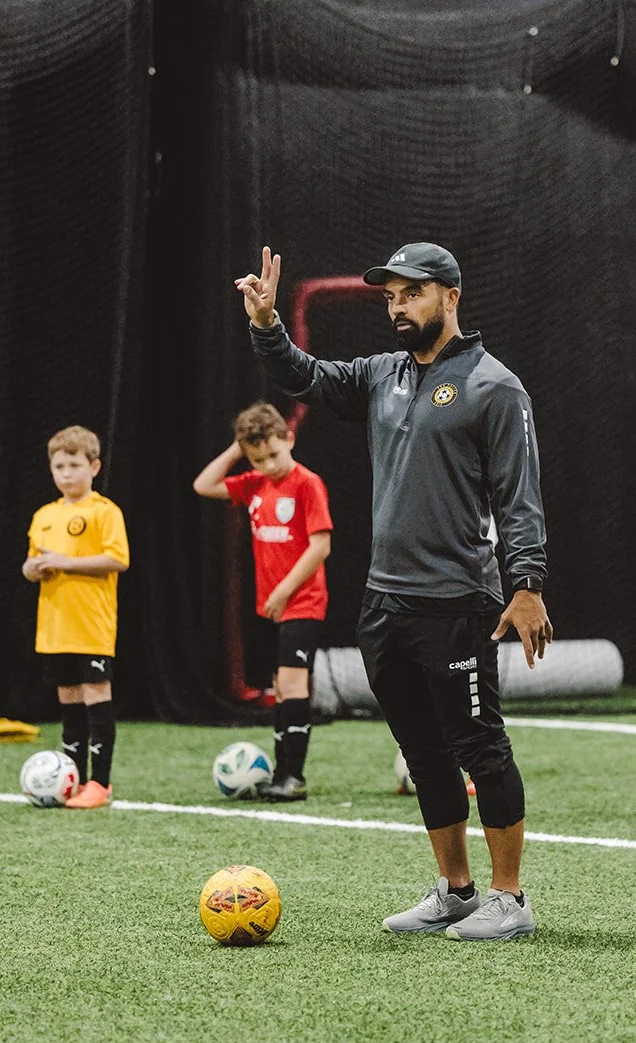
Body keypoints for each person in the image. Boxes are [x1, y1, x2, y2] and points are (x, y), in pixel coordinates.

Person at [235, 243, 551, 941]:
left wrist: (526, 584)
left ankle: (511, 899)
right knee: (421, 747)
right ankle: (457, 890)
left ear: (450, 295)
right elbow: (304, 377)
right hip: (384, 603)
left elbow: (519, 497)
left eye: (412, 294)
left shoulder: (495, 386)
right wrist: (266, 323)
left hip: (458, 601)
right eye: (390, 297)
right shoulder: (382, 374)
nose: (398, 307)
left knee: (481, 746)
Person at [193, 401, 333, 801]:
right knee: (278, 687)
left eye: (273, 454)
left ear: (289, 439)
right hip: (270, 606)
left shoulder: (307, 483)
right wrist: (239, 450)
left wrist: (285, 589)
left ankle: (294, 776)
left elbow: (320, 546)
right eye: (258, 458)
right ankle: (281, 771)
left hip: (302, 601)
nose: (269, 465)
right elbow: (202, 485)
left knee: (292, 683)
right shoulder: (255, 483)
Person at [23, 425, 131, 810]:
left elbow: (118, 559)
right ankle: (73, 779)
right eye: (58, 466)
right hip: (55, 627)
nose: (65, 473)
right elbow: (32, 563)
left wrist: (66, 562)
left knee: (95, 699)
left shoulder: (104, 511)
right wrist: (33, 569)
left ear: (94, 466)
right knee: (69, 704)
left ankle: (100, 783)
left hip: (92, 625)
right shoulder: (43, 516)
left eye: (73, 465)